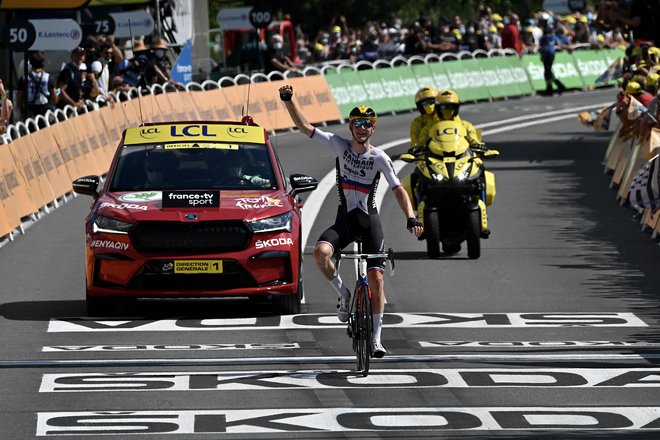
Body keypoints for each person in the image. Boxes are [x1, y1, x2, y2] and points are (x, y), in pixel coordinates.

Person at [278, 84, 423, 358]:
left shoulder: (379, 157)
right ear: (350, 126)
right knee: (321, 253)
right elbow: (305, 127)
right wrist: (289, 100)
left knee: (377, 278)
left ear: (373, 129)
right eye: (357, 123)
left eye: (367, 124)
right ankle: (344, 294)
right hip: (345, 221)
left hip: (369, 222)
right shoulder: (339, 145)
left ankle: (377, 340)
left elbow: (398, 189)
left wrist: (411, 217)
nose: (361, 128)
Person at [16, 52, 56, 118]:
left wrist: (21, 109)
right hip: (45, 109)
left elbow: (19, 98)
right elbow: (53, 97)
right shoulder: (48, 77)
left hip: (30, 109)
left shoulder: (24, 78)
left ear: (31, 64)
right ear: (43, 64)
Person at [538, 19, 570, 96]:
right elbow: (559, 44)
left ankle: (556, 86)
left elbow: (542, 47)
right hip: (552, 53)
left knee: (547, 71)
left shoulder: (543, 38)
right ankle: (552, 87)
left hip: (546, 54)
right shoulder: (553, 36)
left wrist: (542, 56)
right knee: (548, 70)